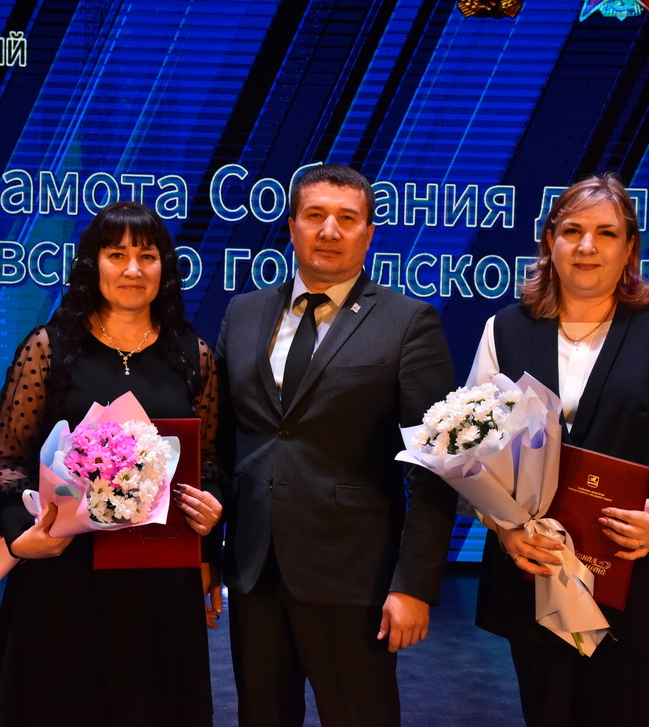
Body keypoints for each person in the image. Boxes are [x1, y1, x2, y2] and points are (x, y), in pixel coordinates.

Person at [467, 173, 649, 727]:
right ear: (549, 241)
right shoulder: (504, 330)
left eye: (606, 233)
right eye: (572, 230)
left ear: (629, 248)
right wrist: (503, 528)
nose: (587, 246)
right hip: (538, 581)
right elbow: (477, 447)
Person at [215, 163, 459, 727]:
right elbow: (222, 446)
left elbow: (434, 468)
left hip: (355, 578)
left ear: (368, 234)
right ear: (292, 227)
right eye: (315, 215)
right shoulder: (244, 313)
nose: (329, 230)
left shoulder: (408, 322)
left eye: (347, 219)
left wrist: (415, 585)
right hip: (254, 570)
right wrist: (206, 554)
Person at [0, 201, 224, 727]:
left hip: (158, 579)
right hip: (63, 571)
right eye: (117, 254)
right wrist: (22, 537)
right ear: (93, 264)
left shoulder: (192, 354)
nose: (133, 269)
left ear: (165, 267)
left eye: (147, 256)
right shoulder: (50, 347)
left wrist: (211, 518)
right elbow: (6, 461)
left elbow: (212, 462)